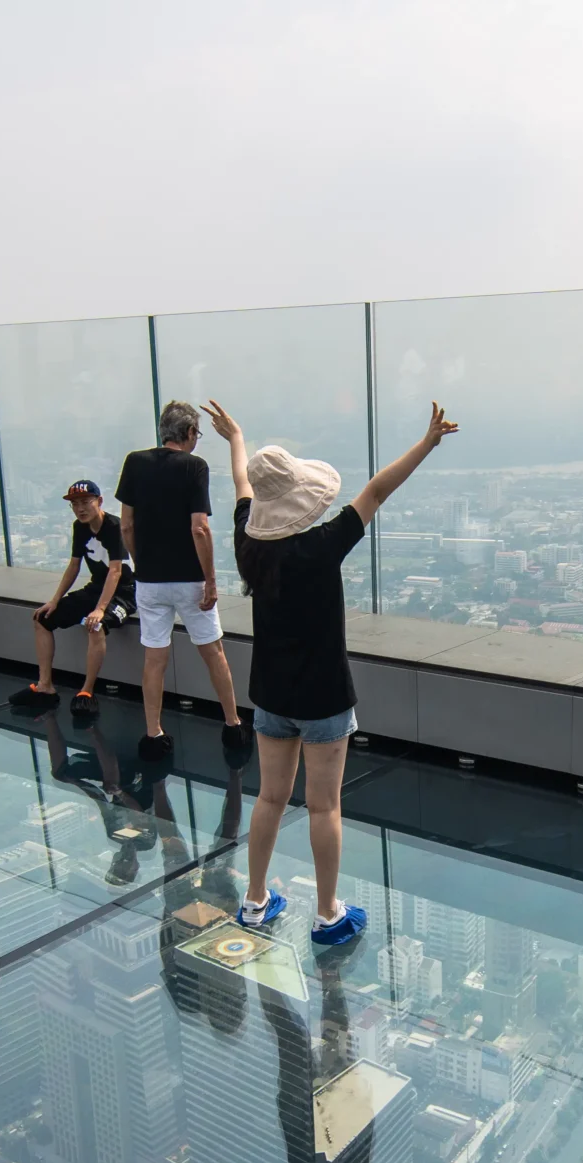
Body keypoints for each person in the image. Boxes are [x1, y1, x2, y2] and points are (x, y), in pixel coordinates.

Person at [213, 398, 458, 947]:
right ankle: (327, 914)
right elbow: (376, 490)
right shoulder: (323, 547)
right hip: (323, 695)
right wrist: (427, 443)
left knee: (270, 798)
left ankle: (255, 902)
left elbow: (241, 487)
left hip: (270, 695)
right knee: (324, 805)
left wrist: (235, 438)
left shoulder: (246, 542)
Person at [115, 401, 245, 758]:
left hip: (150, 581)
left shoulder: (134, 462)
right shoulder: (194, 467)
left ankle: (154, 733)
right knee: (212, 651)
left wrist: (142, 563)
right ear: (189, 433)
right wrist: (212, 580)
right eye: (197, 434)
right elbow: (199, 527)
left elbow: (126, 524)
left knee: (154, 657)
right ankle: (233, 726)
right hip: (190, 579)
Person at [9, 479, 135, 717]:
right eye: (75, 504)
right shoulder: (79, 527)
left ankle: (86, 692)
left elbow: (116, 571)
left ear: (99, 501)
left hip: (126, 591)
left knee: (95, 625)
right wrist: (55, 600)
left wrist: (100, 609)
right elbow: (74, 565)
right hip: (97, 587)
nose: (80, 508)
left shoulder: (114, 527)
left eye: (85, 502)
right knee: (42, 619)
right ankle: (45, 685)